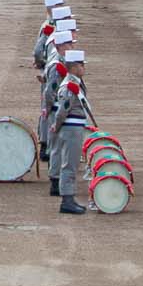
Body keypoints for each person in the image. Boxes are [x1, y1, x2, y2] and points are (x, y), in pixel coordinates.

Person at [49, 51, 91, 214]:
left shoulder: (75, 83)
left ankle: (69, 198)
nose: (83, 67)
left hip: (74, 126)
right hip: (71, 127)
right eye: (81, 65)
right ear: (73, 67)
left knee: (71, 164)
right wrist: (56, 125)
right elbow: (63, 110)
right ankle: (67, 200)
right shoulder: (70, 86)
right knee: (69, 165)